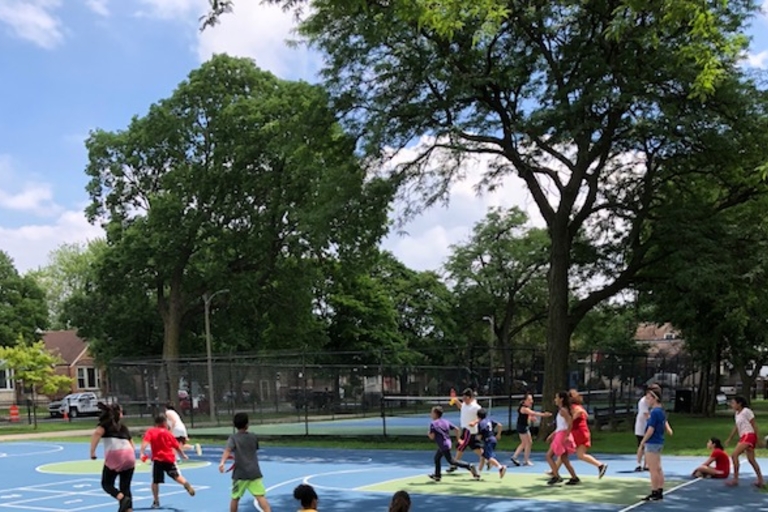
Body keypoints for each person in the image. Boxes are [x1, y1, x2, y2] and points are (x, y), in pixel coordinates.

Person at [218, 412, 272, 512]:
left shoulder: (233, 438)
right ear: (247, 424)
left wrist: (222, 462)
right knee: (260, 496)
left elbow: (228, 450)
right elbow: (255, 449)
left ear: (234, 425)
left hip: (240, 473)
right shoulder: (253, 437)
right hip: (254, 471)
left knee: (235, 497)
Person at [140, 414, 195, 509]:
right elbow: (177, 446)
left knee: (155, 481)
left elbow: (145, 442)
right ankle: (185, 483)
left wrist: (141, 452)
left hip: (158, 459)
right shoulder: (168, 433)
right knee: (176, 476)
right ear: (164, 423)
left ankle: (156, 501)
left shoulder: (151, 432)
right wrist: (183, 455)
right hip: (169, 458)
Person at [89, 403, 135, 512]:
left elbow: (97, 434)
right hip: (129, 455)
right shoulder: (123, 427)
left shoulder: (104, 425)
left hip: (116, 455)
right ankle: (128, 508)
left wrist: (92, 452)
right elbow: (132, 444)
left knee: (106, 483)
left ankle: (122, 498)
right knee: (125, 487)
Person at [428, 405, 479, 481]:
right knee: (437, 458)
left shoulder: (433, 424)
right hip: (447, 443)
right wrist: (458, 439)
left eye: (432, 413)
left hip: (443, 445)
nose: (430, 414)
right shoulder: (445, 421)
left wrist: (429, 434)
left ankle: (469, 466)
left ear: (435, 414)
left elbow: (432, 437)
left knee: (452, 461)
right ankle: (437, 475)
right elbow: (456, 429)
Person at [725, 396, 764, 488]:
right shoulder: (737, 414)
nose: (732, 405)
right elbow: (736, 427)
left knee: (734, 455)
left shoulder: (746, 411)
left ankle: (735, 479)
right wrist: (730, 438)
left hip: (749, 435)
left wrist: (757, 439)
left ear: (739, 404)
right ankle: (760, 480)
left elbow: (754, 425)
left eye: (733, 403)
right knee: (751, 460)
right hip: (743, 436)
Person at [636, 387, 667, 501]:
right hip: (659, 441)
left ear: (655, 398)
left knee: (653, 469)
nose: (647, 400)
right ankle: (659, 489)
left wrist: (643, 441)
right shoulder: (661, 411)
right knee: (658, 468)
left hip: (653, 442)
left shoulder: (654, 412)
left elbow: (651, 429)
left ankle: (654, 491)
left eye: (649, 398)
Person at [568, 390, 608, 478]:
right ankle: (600, 465)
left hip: (579, 433)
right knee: (580, 455)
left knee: (564, 451)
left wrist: (572, 419)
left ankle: (554, 470)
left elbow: (580, 412)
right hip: (581, 432)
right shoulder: (576, 406)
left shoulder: (575, 407)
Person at [545, 391, 578, 485]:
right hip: (560, 434)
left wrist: (566, 435)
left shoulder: (563, 411)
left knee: (549, 456)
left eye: (556, 397)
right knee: (564, 458)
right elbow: (561, 426)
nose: (555, 400)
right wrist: (552, 435)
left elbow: (570, 423)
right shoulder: (562, 410)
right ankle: (574, 477)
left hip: (562, 435)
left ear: (561, 399)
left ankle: (556, 476)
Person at [447, 388, 483, 473]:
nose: (464, 400)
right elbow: (462, 407)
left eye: (465, 398)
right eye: (463, 398)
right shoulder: (464, 405)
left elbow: (481, 416)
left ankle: (454, 464)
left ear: (470, 397)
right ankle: (488, 459)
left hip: (471, 431)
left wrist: (475, 422)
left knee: (460, 448)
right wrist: (456, 401)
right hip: (466, 431)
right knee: (476, 449)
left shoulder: (476, 407)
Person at [511, 394, 552, 466]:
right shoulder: (524, 408)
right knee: (528, 443)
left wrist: (531, 418)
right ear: (524, 401)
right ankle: (525, 460)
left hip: (523, 426)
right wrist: (544, 415)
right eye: (529, 400)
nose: (531, 401)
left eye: (531, 400)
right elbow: (533, 413)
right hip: (522, 427)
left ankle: (516, 457)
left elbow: (528, 415)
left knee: (525, 443)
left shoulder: (525, 408)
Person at [470, 408, 506, 478]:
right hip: (493, 439)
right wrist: (498, 434)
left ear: (478, 416)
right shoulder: (489, 420)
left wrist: (476, 437)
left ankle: (500, 467)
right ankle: (478, 473)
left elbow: (481, 434)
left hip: (488, 440)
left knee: (488, 457)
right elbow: (500, 425)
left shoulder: (480, 423)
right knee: (483, 457)